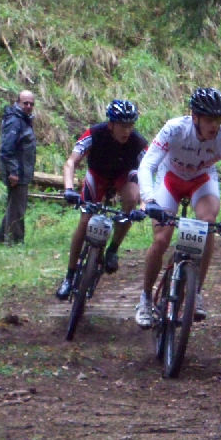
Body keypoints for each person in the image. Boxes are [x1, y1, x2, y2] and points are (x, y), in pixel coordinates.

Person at [134, 87, 221, 327]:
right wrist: (149, 200)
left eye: (219, 120)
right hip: (170, 179)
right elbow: (147, 165)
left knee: (207, 224)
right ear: (195, 117)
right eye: (209, 119)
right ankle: (145, 297)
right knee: (161, 239)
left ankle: (195, 291)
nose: (215, 125)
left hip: (202, 180)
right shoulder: (175, 128)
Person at [55, 100, 149, 300]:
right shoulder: (95, 133)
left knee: (131, 199)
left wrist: (143, 207)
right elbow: (71, 162)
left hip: (123, 176)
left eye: (130, 125)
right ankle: (70, 276)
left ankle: (113, 249)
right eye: (123, 125)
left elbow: (148, 177)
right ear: (111, 124)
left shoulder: (138, 142)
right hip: (97, 175)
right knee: (85, 220)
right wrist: (69, 189)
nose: (127, 130)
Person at [0, 90, 37, 245]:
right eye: (25, 103)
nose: (28, 106)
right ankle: (15, 241)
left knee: (14, 205)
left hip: (22, 171)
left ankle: (0, 239)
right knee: (18, 208)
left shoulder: (23, 119)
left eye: (31, 104)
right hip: (16, 172)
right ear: (18, 102)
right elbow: (7, 149)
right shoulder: (15, 121)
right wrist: (13, 172)